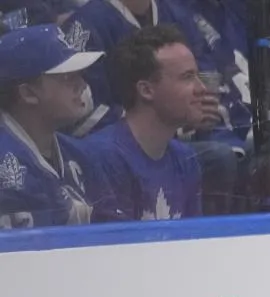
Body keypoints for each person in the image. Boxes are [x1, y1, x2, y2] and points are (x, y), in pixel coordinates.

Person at [83, 25, 203, 220]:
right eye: (187, 78)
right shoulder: (102, 158)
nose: (201, 88)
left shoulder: (185, 159)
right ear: (146, 90)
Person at [0, 23, 112, 228]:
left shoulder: (80, 154)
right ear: (28, 93)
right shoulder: (5, 167)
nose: (83, 84)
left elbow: (114, 228)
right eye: (67, 77)